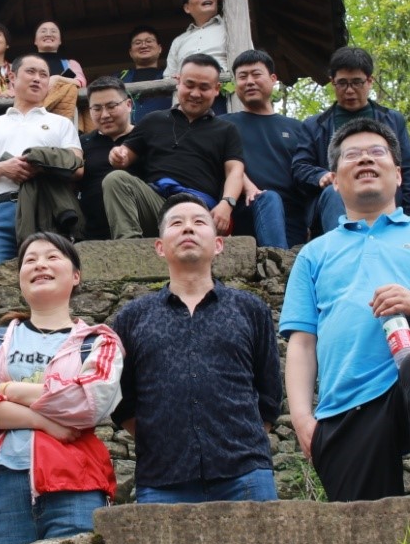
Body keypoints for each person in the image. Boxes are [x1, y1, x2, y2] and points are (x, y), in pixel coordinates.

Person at [280, 119, 410, 502]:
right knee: (362, 531)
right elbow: (302, 342)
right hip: (346, 402)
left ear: (398, 175)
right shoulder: (314, 254)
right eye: (352, 155)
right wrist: (301, 418)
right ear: (334, 180)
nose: (365, 159)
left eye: (377, 152)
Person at [0, 233, 124, 544]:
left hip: (76, 482)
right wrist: (46, 422)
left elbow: (89, 402)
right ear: (20, 278)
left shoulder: (98, 342)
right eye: (30, 260)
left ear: (76, 276)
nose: (40, 265)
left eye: (52, 257)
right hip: (1, 481)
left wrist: (7, 389)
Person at [111, 195, 282, 502]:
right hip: (162, 479)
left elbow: (269, 393)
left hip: (245, 475)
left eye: (199, 222)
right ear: (159, 247)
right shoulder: (132, 318)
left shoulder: (250, 309)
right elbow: (121, 399)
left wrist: (241, 443)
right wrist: (160, 440)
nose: (188, 228)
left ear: (218, 244)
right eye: (176, 223)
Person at [102, 54, 245, 239]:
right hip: (157, 203)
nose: (195, 94)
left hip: (199, 208)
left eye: (204, 87)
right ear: (178, 81)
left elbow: (235, 171)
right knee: (115, 179)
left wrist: (227, 203)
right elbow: (125, 155)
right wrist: (117, 155)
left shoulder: (227, 129)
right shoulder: (153, 120)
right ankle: (129, 245)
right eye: (189, 85)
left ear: (216, 89)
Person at [0, 52, 82, 270]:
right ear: (12, 77)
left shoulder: (61, 123)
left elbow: (78, 167)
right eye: (30, 72)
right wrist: (4, 168)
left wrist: (40, 166)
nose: (37, 78)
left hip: (45, 208)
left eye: (43, 75)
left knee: (46, 277)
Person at [293, 46, 410, 237]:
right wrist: (320, 176)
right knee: (335, 191)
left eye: (357, 82)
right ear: (333, 82)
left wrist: (409, 215)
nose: (349, 90)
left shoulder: (392, 120)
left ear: (370, 81)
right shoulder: (315, 125)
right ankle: (344, 246)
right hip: (336, 200)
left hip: (385, 198)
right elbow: (300, 167)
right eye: (342, 83)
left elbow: (408, 169)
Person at [223, 49, 305, 248]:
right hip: (246, 210)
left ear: (273, 79)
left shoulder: (298, 128)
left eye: (256, 74)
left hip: (294, 217)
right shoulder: (223, 125)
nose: (249, 81)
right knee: (269, 198)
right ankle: (276, 262)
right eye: (243, 76)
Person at [78, 77, 136, 241]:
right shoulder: (82, 144)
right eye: (96, 108)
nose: (104, 115)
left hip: (141, 230)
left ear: (128, 105)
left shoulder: (145, 137)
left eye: (111, 106)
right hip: (92, 236)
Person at [31, 19, 88, 124]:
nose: (48, 34)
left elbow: (81, 82)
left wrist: (57, 79)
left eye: (53, 31)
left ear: (60, 40)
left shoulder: (70, 64)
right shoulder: (27, 64)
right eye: (43, 31)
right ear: (35, 40)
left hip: (65, 118)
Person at [120, 25, 170, 120]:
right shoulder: (120, 77)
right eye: (138, 43)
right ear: (131, 52)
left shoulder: (170, 75)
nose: (143, 45)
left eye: (149, 41)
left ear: (159, 48)